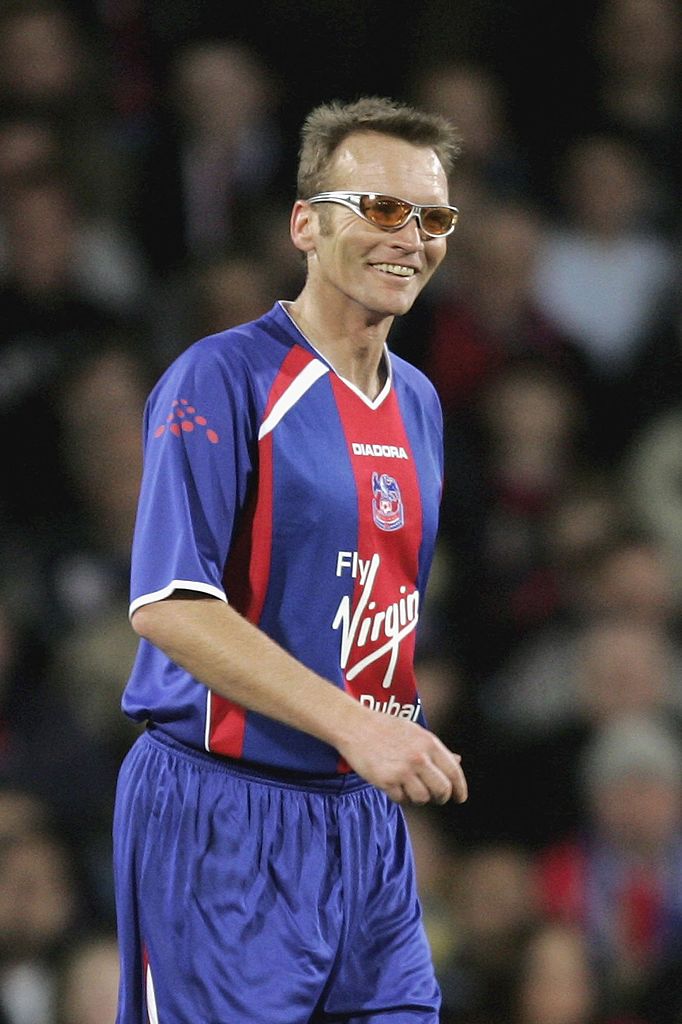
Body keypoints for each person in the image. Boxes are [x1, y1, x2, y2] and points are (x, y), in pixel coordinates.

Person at [114, 96, 468, 1024]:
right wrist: (358, 726)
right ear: (306, 224)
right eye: (382, 208)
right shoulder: (222, 377)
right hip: (223, 813)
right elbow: (169, 606)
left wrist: (383, 729)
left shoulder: (420, 402)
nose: (412, 238)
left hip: (362, 824)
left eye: (433, 217)